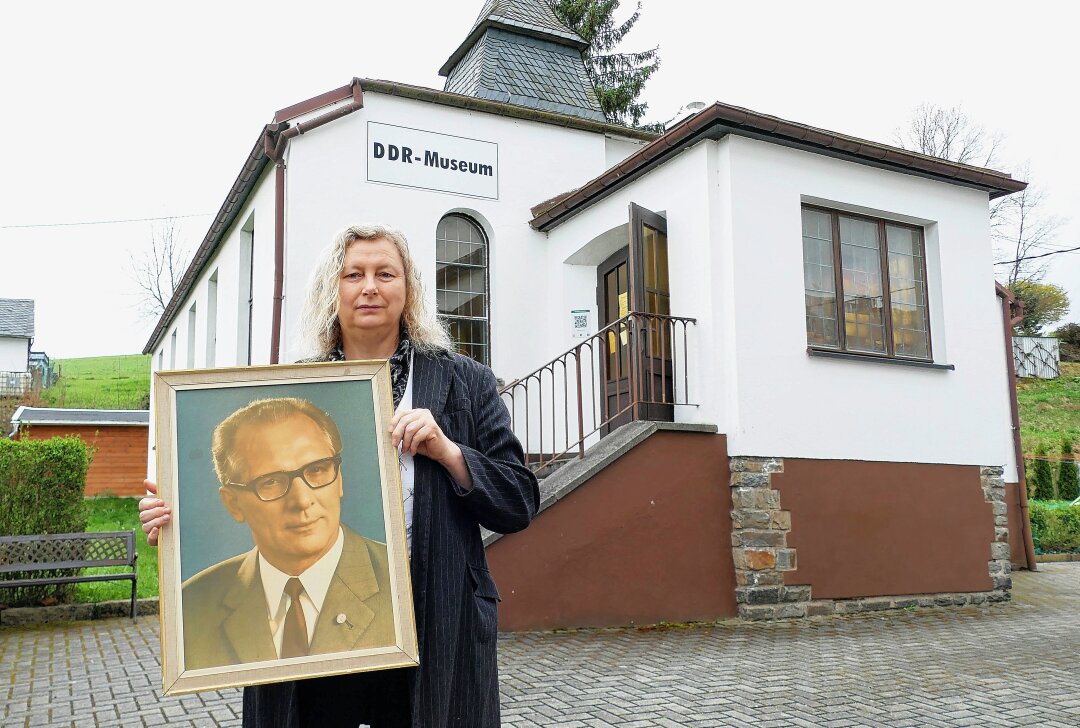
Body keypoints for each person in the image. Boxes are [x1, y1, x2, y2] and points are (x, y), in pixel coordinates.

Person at [140, 223, 540, 728]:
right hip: (310, 629)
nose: (369, 286)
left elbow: (520, 501)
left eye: (384, 273)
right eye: (354, 274)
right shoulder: (292, 389)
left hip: (436, 619)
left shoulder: (465, 381)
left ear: (408, 289)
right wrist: (173, 520)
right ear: (334, 289)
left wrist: (449, 451)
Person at [181, 396, 396, 670]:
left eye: (317, 470)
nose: (302, 500)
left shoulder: (403, 578)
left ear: (339, 479)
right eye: (270, 481)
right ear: (233, 504)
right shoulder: (191, 605)